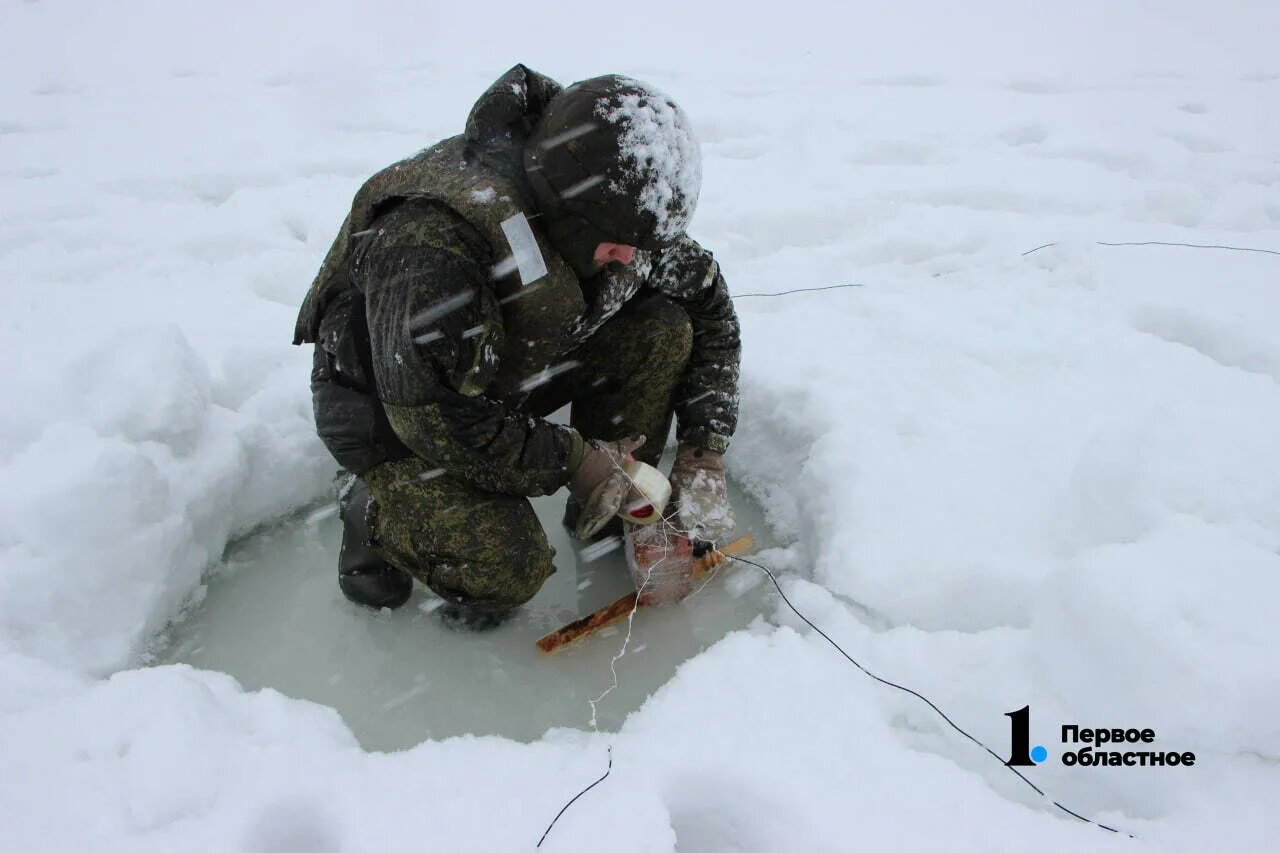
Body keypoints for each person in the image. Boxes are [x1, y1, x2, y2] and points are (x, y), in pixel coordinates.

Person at [292, 64, 741, 626]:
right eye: (621, 243)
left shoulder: (616, 211)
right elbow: (430, 416)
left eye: (641, 243)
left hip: (498, 366)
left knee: (662, 330)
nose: (633, 257)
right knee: (506, 567)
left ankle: (606, 509)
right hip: (390, 409)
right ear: (569, 209)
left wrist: (705, 450)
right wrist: (574, 459)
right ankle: (373, 509)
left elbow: (711, 312)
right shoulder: (435, 243)